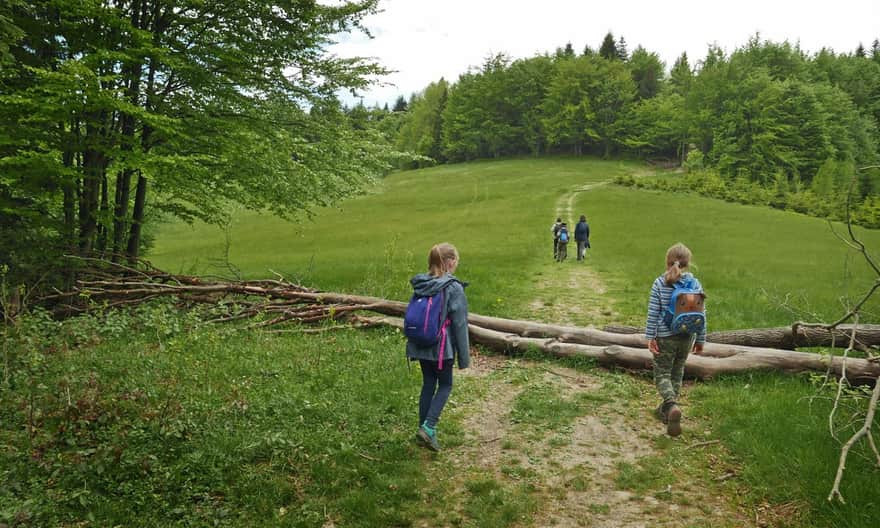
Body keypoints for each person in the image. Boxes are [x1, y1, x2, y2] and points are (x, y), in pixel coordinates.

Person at [406, 243, 470, 451]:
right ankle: (429, 427)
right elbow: (460, 324)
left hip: (421, 343)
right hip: (442, 348)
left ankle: (423, 430)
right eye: (456, 261)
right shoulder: (452, 287)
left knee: (428, 384)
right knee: (445, 385)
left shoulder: (422, 283)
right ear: (450, 262)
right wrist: (464, 358)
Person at [644, 242, 706, 437]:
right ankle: (667, 410)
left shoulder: (660, 283)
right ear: (688, 263)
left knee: (662, 374)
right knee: (677, 371)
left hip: (665, 335)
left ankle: (670, 405)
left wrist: (650, 337)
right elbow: (702, 313)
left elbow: (653, 313)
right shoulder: (695, 284)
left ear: (667, 261)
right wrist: (701, 339)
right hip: (687, 336)